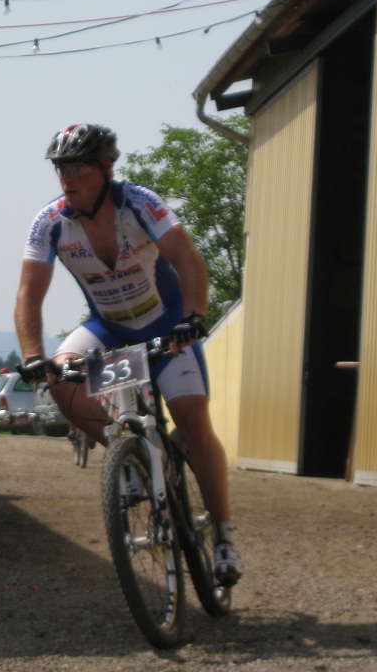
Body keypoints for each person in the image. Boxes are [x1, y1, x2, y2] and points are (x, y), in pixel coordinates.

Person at [14, 123, 243, 584]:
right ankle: (129, 453)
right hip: (109, 328)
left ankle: (222, 535)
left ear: (105, 169)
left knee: (192, 420)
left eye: (78, 168)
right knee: (60, 380)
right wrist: (34, 354)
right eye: (61, 169)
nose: (67, 178)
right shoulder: (50, 222)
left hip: (167, 326)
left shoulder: (139, 202)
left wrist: (194, 316)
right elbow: (27, 296)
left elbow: (188, 258)